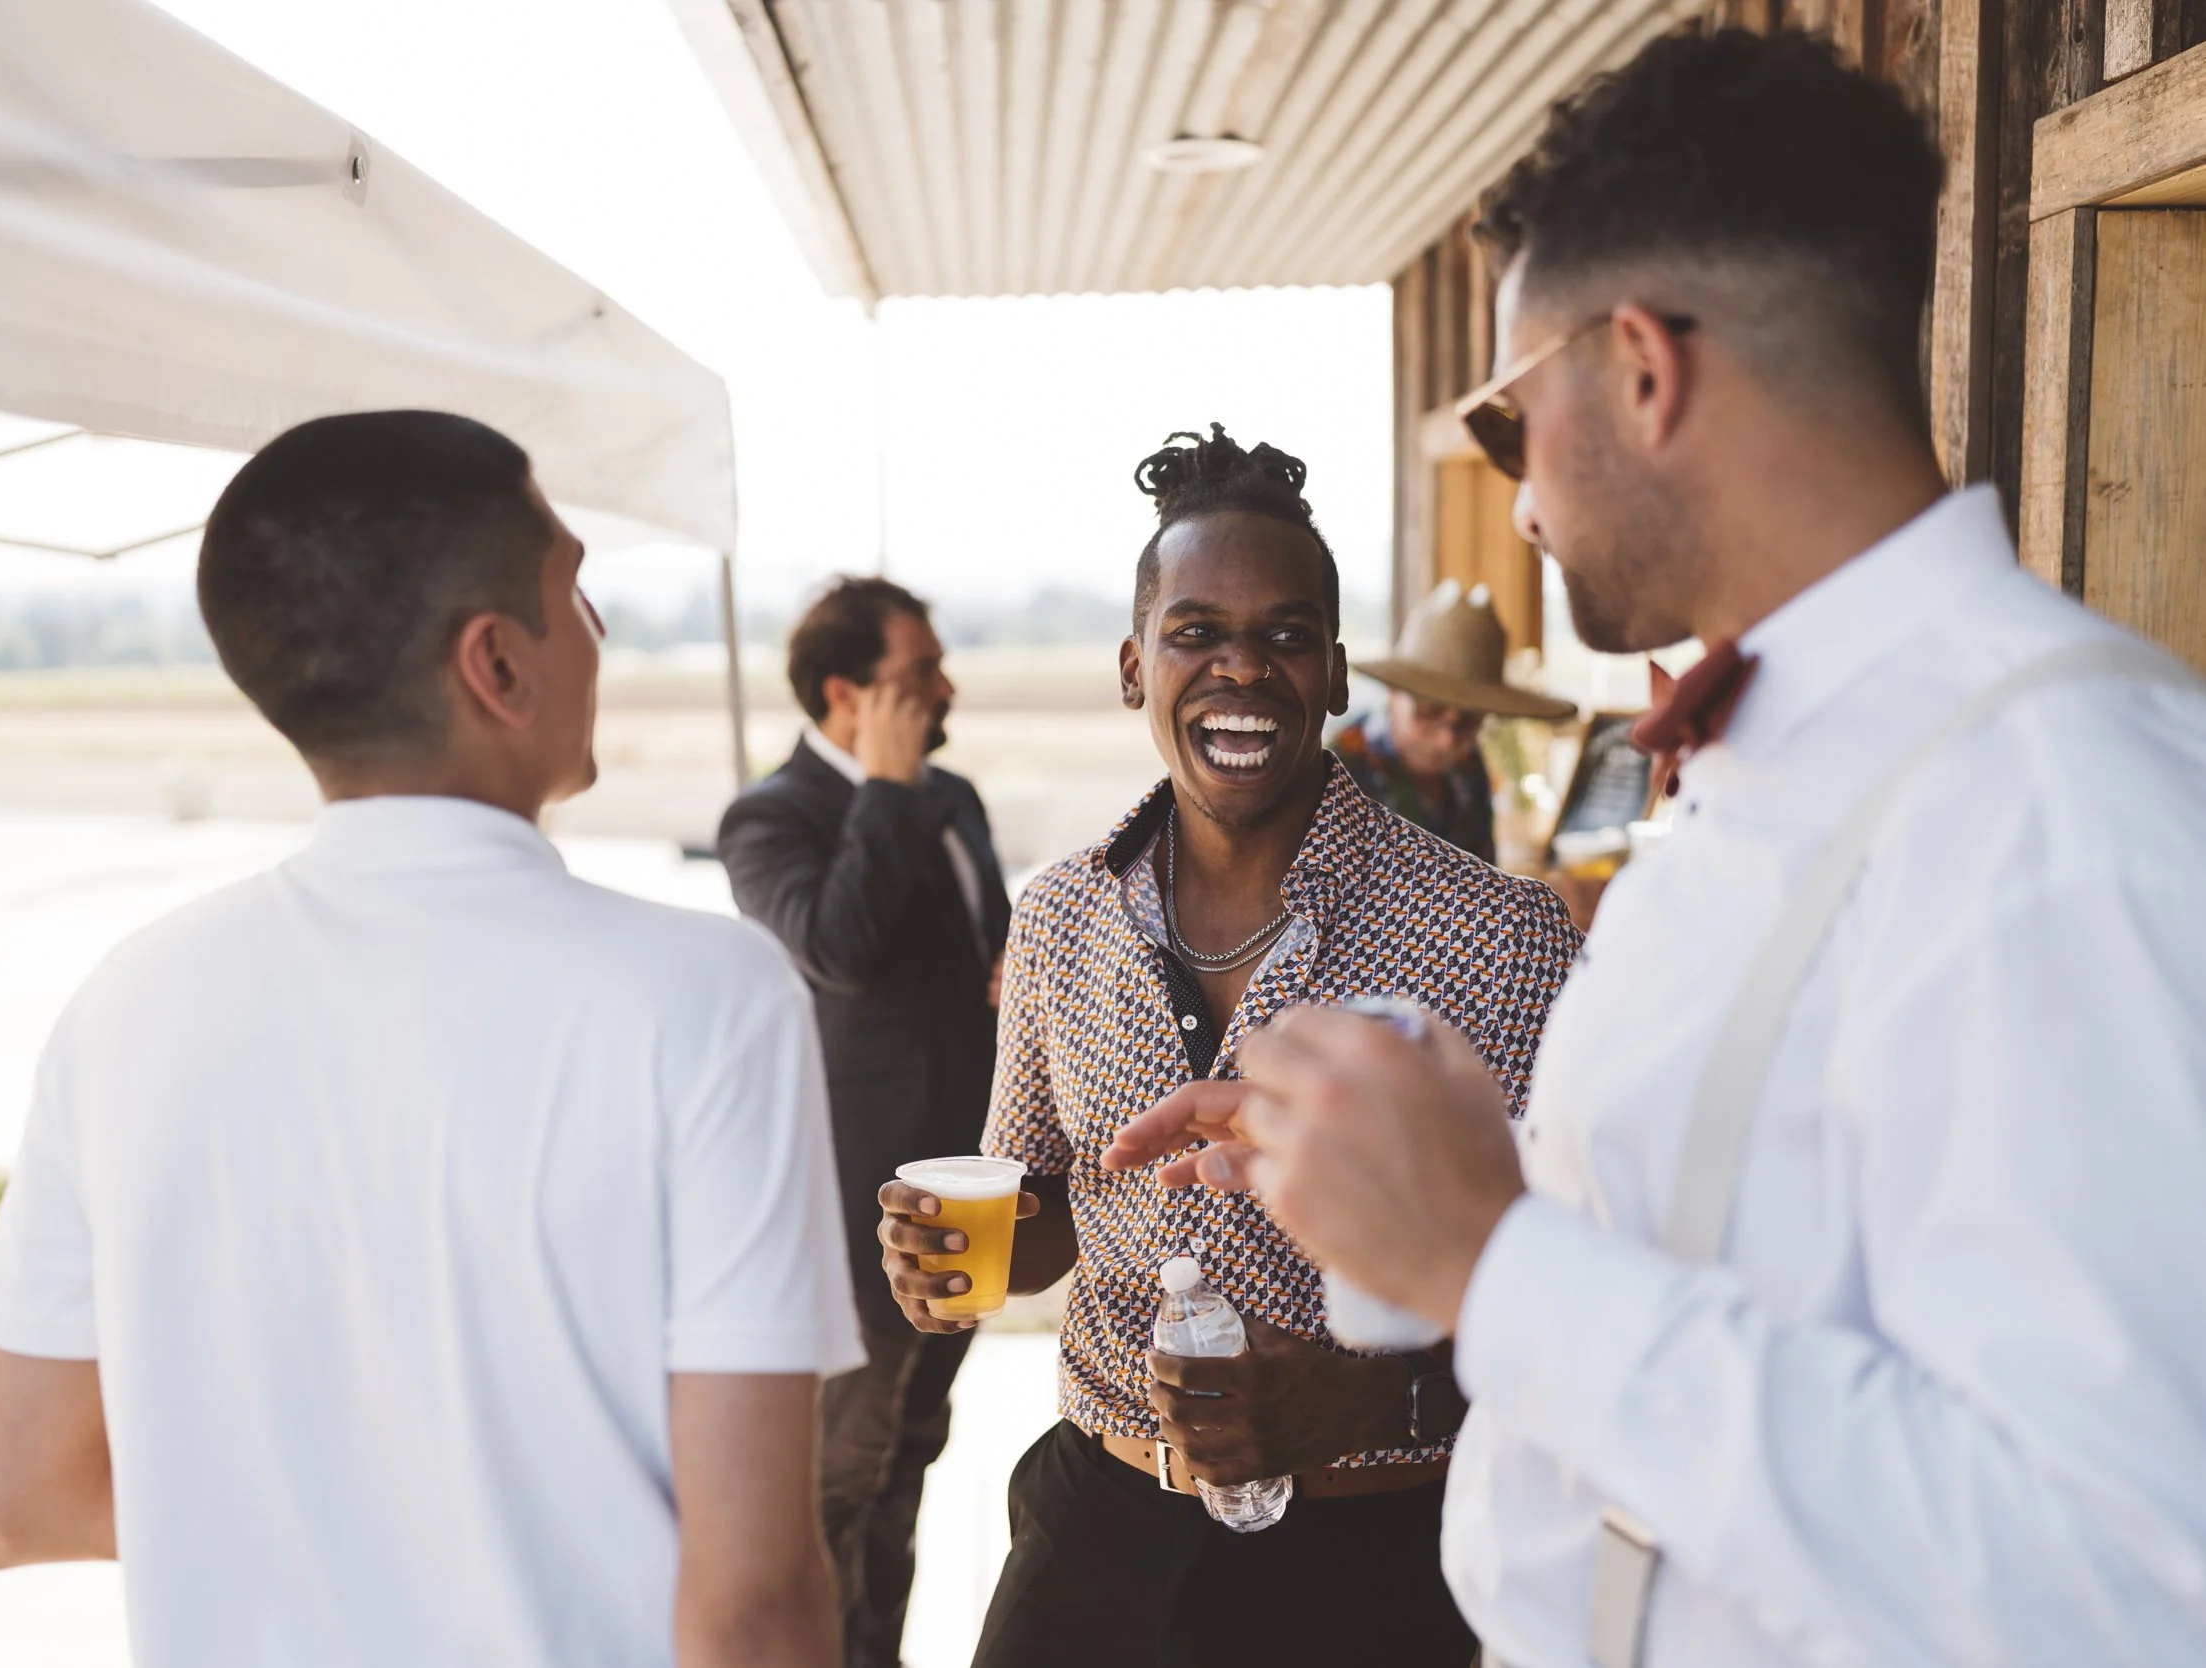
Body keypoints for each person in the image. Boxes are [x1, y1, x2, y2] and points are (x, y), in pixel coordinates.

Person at [1104, 31, 2206, 1668]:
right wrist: (1408, 1175)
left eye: (1505, 423)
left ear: (1639, 369)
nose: (1524, 502)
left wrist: (1495, 1251)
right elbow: (1755, 1249)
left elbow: (2114, 1574)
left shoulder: (2063, 809)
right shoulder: (1770, 771)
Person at [0, 411, 862, 1668]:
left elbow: (19, 1500)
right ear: (495, 664)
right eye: (577, 593)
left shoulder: (123, 1007)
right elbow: (754, 1602)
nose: (601, 634)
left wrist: (347, 1539)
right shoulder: (707, 1001)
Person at [874, 425, 1582, 1667]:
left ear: (1337, 671)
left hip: (1370, 1565)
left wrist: (1373, 1392)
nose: (1240, 669)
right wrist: (953, 1257)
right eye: (1197, 632)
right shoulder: (1055, 918)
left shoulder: (1505, 938)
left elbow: (1579, 1281)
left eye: (1285, 636)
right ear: (1134, 666)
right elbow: (1049, 1216)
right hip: (1088, 1540)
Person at [716, 575, 1009, 1668]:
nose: (946, 687)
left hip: (972, 1198)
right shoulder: (769, 817)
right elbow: (834, 947)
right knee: (840, 1476)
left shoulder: (955, 798)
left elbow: (985, 946)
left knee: (911, 1460)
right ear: (844, 692)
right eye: (919, 671)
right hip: (851, 1213)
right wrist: (882, 791)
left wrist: (1009, 973)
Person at [1334, 579, 1577, 862]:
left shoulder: (1469, 765)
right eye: (1429, 711)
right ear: (1393, 693)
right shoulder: (1338, 774)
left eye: (1469, 720)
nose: (1447, 739)